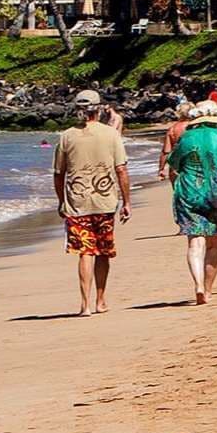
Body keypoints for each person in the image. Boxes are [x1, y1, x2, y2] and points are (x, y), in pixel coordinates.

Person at [165, 96, 217, 305]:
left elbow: (173, 162)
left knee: (195, 243)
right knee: (214, 245)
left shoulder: (187, 138)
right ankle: (209, 290)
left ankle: (198, 285)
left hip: (189, 193)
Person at [51, 90, 130, 316]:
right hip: (105, 200)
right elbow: (121, 169)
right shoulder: (111, 134)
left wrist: (61, 201)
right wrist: (127, 202)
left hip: (77, 202)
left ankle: (85, 305)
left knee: (85, 251)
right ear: (99, 108)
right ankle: (100, 300)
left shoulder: (66, 136)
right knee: (103, 250)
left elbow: (59, 173)